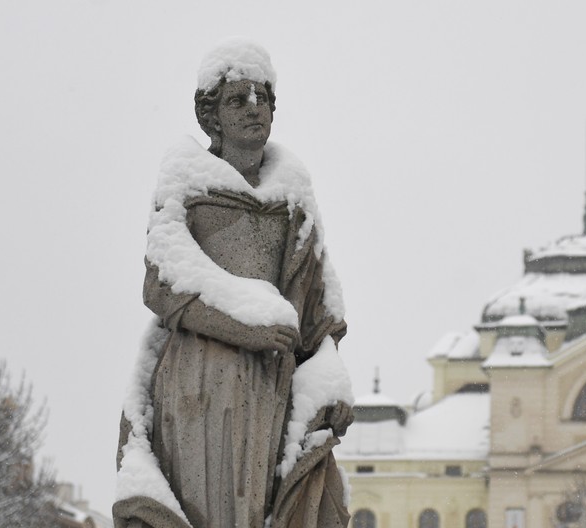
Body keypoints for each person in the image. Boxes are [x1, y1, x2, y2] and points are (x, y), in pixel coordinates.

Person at [114, 38, 353, 528]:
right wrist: (249, 322)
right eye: (237, 99)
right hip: (200, 381)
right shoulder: (186, 179)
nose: (253, 109)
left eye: (262, 98)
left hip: (274, 386)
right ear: (211, 116)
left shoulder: (294, 196)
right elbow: (162, 279)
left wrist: (332, 381)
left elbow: (319, 313)